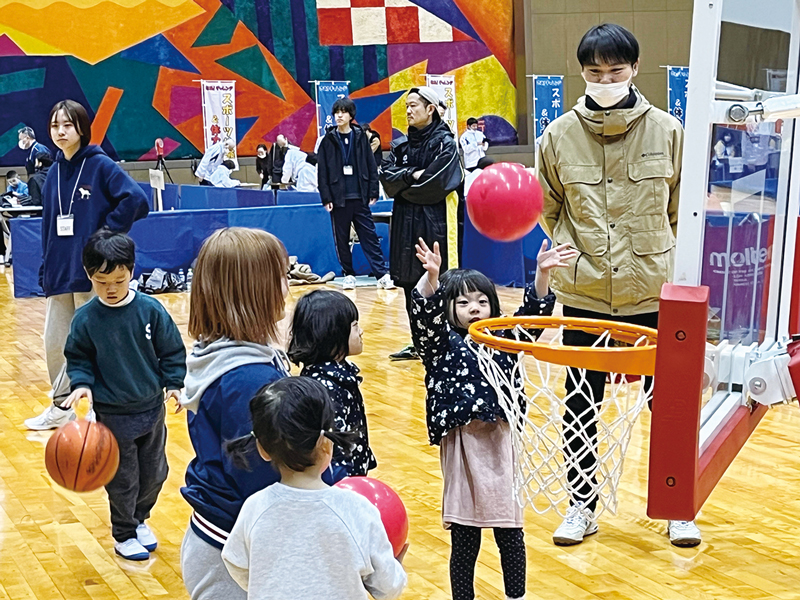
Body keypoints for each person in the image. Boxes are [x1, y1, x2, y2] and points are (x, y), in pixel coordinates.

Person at [536, 23, 697, 547]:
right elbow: (549, 208)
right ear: (581, 73)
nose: (605, 79)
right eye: (594, 71)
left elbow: (679, 210)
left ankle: (679, 509)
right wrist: (579, 256)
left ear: (635, 69)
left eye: (616, 70)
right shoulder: (557, 135)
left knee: (669, 405)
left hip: (654, 292)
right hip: (585, 295)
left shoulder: (669, 130)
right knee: (582, 403)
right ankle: (581, 507)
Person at [179, 227, 341, 600]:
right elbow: (265, 477)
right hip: (234, 554)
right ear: (254, 290)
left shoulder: (225, 354)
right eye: (281, 276)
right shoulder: (248, 379)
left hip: (222, 539)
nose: (288, 285)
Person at [411, 237, 575, 600]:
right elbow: (424, 319)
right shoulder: (439, 344)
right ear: (448, 308)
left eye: (483, 301)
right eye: (464, 302)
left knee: (510, 533)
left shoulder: (502, 338)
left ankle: (516, 595)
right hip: (463, 445)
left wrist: (542, 276)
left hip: (500, 441)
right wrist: (433, 279)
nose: (475, 308)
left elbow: (532, 320)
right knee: (465, 538)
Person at [24, 99, 149, 431]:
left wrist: (104, 236)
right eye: (55, 126)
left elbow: (136, 200)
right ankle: (60, 406)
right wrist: (45, 264)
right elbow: (49, 224)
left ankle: (97, 408)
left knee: (94, 343)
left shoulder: (99, 164)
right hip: (59, 271)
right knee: (56, 343)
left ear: (81, 127)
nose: (61, 131)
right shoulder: (52, 173)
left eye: (68, 125)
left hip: (91, 273)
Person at [221, 377, 408, 600]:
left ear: (263, 448)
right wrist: (396, 567)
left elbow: (236, 563)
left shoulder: (255, 507)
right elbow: (387, 588)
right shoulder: (356, 509)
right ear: (327, 443)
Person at [61, 229, 186, 560]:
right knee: (122, 478)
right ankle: (124, 532)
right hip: (113, 415)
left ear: (131, 271)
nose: (111, 289)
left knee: (156, 473)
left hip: (151, 409)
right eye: (102, 282)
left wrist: (174, 383)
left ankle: (140, 518)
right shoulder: (86, 319)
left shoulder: (151, 310)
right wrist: (82, 384)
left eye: (119, 280)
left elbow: (172, 350)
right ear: (89, 276)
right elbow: (79, 357)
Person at [380, 86, 464, 361]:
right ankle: (418, 341)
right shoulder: (401, 145)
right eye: (406, 106)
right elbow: (387, 179)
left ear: (430, 109)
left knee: (437, 280)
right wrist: (410, 175)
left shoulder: (446, 144)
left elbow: (434, 185)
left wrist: (403, 184)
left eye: (414, 105)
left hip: (435, 221)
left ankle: (444, 340)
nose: (408, 110)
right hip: (405, 221)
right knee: (408, 281)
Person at [288, 289, 376, 477]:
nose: (361, 331)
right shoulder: (324, 388)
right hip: (339, 479)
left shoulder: (342, 375)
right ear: (334, 333)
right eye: (355, 326)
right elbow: (332, 447)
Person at [318, 98, 394, 291]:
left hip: (359, 196)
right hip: (338, 197)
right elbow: (323, 171)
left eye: (343, 112)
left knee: (369, 235)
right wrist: (326, 197)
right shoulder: (328, 140)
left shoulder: (360, 137)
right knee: (342, 238)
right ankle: (348, 274)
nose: (339, 116)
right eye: (336, 112)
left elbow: (370, 164)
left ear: (351, 115)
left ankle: (381, 275)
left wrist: (373, 190)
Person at [269, 134, 289, 199]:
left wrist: (285, 146)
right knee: (275, 189)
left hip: (286, 171)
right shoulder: (274, 146)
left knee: (285, 187)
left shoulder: (289, 147)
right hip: (275, 170)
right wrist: (270, 172)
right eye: (278, 142)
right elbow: (270, 159)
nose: (280, 144)